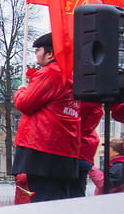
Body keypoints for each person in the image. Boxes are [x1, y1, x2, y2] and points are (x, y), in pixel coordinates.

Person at [11, 33, 81, 202]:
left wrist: (20, 91)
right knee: (61, 199)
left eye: (38, 50)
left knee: (44, 201)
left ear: (49, 54)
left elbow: (26, 103)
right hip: (67, 149)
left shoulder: (49, 73)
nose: (36, 54)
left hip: (41, 148)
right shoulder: (74, 76)